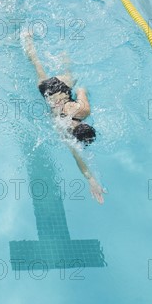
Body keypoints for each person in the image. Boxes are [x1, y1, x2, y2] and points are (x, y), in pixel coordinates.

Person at [22, 31, 107, 204]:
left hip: (62, 87)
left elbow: (81, 89)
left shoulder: (84, 111)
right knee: (37, 63)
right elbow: (78, 157)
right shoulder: (63, 128)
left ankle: (63, 49)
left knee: (70, 73)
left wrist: (83, 95)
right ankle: (27, 38)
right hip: (47, 91)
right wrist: (91, 180)